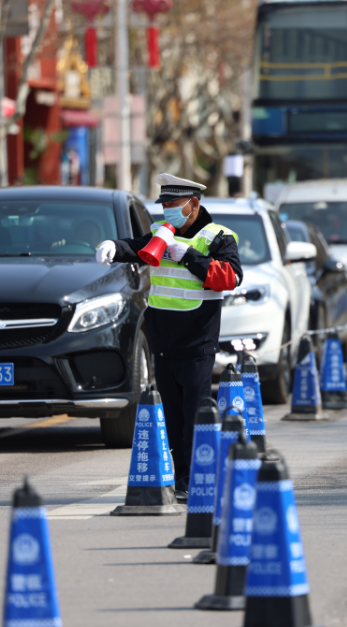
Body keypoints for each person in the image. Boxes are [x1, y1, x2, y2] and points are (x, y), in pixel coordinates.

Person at [96, 174, 242, 502]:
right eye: (164, 206)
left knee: (195, 415)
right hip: (163, 344)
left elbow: (230, 277)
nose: (167, 212)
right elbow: (137, 248)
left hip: (196, 344)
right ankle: (179, 478)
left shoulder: (218, 237)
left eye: (173, 205)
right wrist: (114, 247)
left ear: (194, 204)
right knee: (172, 418)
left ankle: (195, 478)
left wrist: (188, 256)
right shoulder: (162, 234)